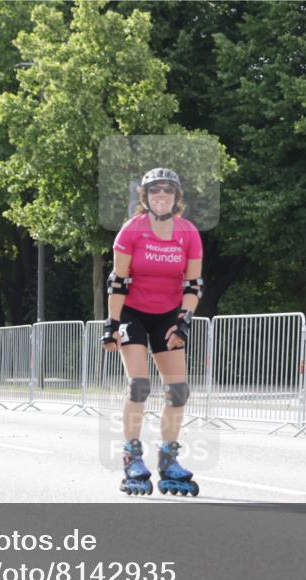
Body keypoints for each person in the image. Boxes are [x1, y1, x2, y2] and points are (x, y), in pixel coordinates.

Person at [101, 167, 204, 497]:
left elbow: (193, 284)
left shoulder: (188, 233)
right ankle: (132, 455)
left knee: (178, 391)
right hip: (133, 312)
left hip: (168, 315)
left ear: (177, 198)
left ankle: (168, 458)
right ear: (144, 198)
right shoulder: (132, 230)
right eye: (155, 191)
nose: (162, 196)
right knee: (140, 386)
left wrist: (184, 320)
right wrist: (113, 326)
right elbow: (118, 282)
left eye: (168, 191)